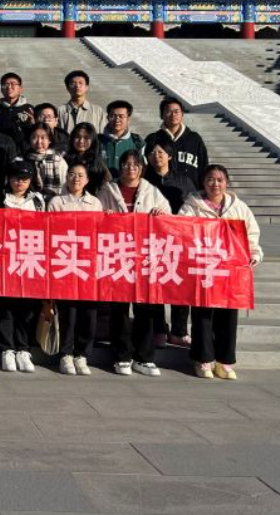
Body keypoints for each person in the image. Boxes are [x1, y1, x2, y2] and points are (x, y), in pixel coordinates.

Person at [179, 164, 263, 381]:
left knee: (228, 315)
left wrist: (254, 254)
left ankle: (224, 361)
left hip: (230, 271)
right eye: (210, 179)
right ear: (203, 182)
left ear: (227, 183)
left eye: (219, 180)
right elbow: (182, 229)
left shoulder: (239, 207)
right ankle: (203, 359)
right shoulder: (192, 205)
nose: (215, 184)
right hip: (204, 269)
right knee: (203, 314)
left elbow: (251, 234)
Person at [99, 149, 170, 377]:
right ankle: (121, 356)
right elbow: (95, 215)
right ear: (120, 167)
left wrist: (161, 213)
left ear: (142, 168)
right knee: (119, 308)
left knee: (145, 308)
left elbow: (168, 215)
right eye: (126, 164)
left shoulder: (152, 191)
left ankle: (144, 357)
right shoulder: (108, 190)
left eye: (135, 164)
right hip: (118, 254)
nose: (131, 168)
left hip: (144, 257)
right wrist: (104, 215)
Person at [48, 162, 102, 376]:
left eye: (80, 175)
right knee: (68, 312)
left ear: (87, 180)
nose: (76, 178)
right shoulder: (56, 202)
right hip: (65, 262)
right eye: (72, 174)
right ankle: (66, 354)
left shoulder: (95, 203)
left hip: (88, 264)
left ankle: (82, 354)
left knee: (89, 312)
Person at [145, 139, 198, 349]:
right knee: (155, 285)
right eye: (152, 153)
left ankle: (179, 331)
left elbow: (193, 206)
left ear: (170, 156)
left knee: (180, 285)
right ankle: (159, 329)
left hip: (179, 239)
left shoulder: (184, 181)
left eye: (160, 153)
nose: (156, 156)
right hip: (152, 240)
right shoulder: (145, 180)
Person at [0, 160, 44, 373]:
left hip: (30, 259)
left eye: (24, 178)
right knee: (7, 308)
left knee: (27, 308)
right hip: (5, 259)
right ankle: (7, 349)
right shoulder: (0, 199)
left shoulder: (38, 201)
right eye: (16, 178)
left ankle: (23, 349)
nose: (20, 182)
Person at [144, 97, 210, 186]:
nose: (173, 115)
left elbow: (204, 166)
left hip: (191, 190)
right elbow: (145, 166)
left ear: (182, 114)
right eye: (168, 111)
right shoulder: (153, 138)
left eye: (176, 111)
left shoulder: (194, 138)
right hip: (159, 190)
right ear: (161, 115)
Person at [100, 100, 144, 178]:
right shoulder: (97, 140)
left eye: (121, 116)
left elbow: (143, 167)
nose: (117, 120)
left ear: (128, 119)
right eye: (112, 116)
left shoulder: (137, 141)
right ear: (107, 117)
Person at [25, 125, 68, 203]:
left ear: (50, 140)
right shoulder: (24, 159)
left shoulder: (58, 161)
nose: (39, 142)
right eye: (34, 137)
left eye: (43, 138)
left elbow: (65, 186)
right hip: (30, 204)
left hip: (54, 203)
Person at [65, 123, 109, 195]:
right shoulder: (64, 161)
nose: (81, 141)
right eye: (77, 137)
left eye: (86, 138)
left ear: (93, 140)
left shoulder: (98, 163)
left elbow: (107, 186)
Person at [0, 72, 33, 152]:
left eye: (13, 84)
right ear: (1, 89)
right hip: (0, 151)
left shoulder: (29, 109)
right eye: (5, 85)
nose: (9, 87)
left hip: (24, 152)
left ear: (20, 89)